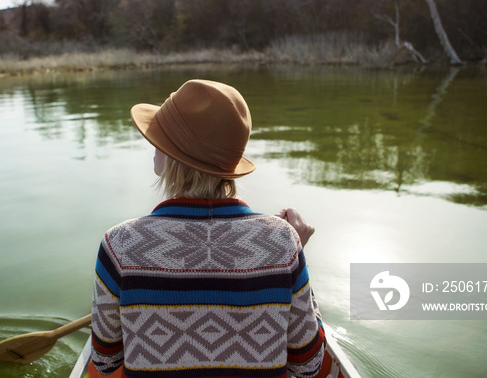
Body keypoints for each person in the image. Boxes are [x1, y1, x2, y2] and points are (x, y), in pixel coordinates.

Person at [91, 79, 325, 377]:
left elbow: (105, 362)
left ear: (175, 158)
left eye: (160, 139)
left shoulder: (120, 245)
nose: (151, 143)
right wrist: (293, 257)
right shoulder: (281, 242)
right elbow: (308, 365)